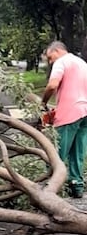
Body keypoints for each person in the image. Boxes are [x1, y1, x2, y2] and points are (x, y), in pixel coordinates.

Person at [41, 41, 87, 198]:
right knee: (78, 152)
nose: (50, 61)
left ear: (58, 50)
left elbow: (52, 85)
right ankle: (77, 186)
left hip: (69, 113)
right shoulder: (81, 63)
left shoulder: (61, 62)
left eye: (50, 57)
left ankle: (52, 188)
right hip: (85, 112)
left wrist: (43, 102)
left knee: (58, 153)